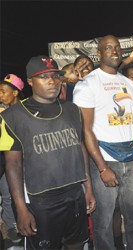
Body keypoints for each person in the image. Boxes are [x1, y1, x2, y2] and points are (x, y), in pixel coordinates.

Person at [0, 56, 96, 249]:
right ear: (29, 81)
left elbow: (80, 148)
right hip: (40, 201)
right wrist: (21, 209)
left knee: (76, 244)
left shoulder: (72, 109)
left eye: (55, 75)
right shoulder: (11, 116)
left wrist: (88, 188)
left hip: (75, 194)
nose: (52, 81)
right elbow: (13, 165)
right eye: (43, 76)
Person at [73, 35, 133, 250]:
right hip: (106, 158)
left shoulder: (128, 83)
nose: (114, 50)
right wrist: (102, 168)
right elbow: (86, 130)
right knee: (104, 223)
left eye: (117, 47)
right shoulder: (88, 84)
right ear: (99, 54)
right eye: (108, 48)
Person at [0, 74, 24, 247]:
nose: (0, 95)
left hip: (25, 161)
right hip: (5, 161)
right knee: (7, 195)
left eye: (3, 91)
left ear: (15, 93)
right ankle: (12, 227)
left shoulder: (28, 108)